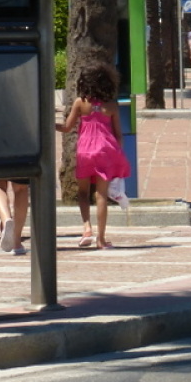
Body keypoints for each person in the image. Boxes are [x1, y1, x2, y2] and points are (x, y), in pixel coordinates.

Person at [57, 63, 132, 249]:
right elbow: (118, 135)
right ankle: (101, 239)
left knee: (83, 193)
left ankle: (86, 228)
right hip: (105, 151)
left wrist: (49, 125)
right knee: (101, 196)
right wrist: (118, 155)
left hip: (85, 151)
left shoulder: (80, 103)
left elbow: (67, 128)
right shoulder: (111, 105)